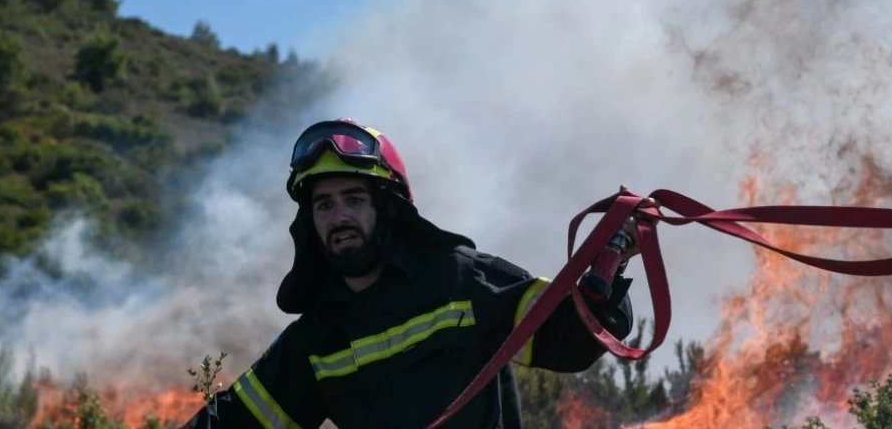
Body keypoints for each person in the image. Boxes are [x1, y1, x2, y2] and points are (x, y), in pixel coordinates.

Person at [180, 118, 639, 428]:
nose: (338, 216)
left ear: (388, 210)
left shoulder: (462, 281)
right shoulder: (317, 340)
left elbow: (569, 339)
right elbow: (236, 422)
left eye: (354, 200)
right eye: (324, 205)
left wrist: (608, 262)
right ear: (310, 223)